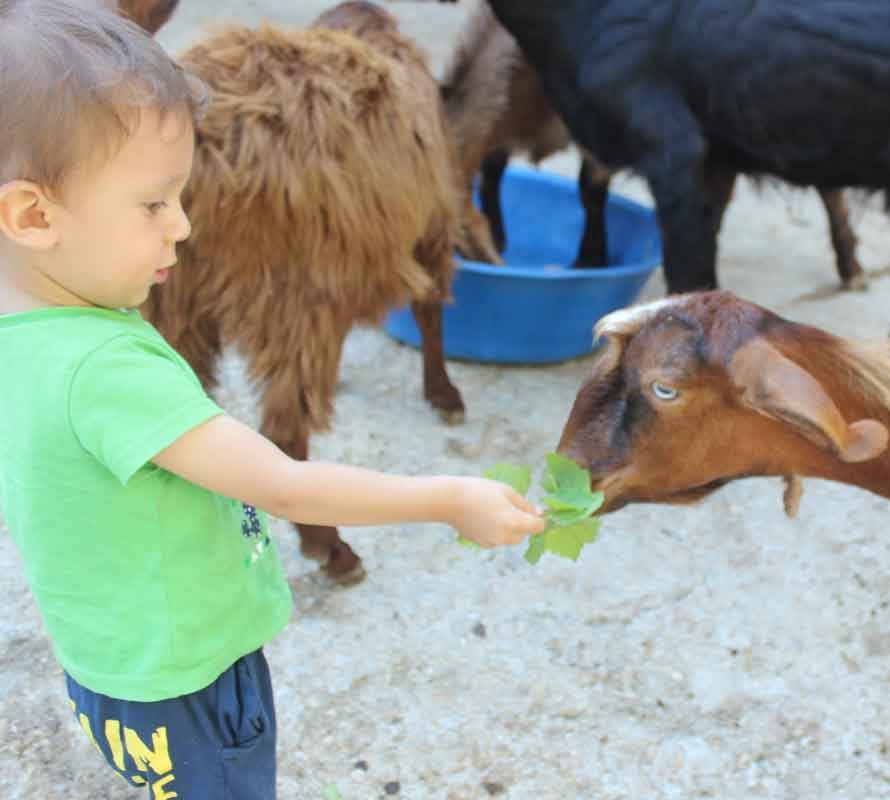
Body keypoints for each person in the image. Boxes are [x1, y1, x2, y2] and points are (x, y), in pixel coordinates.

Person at [0, 1, 545, 797]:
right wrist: (450, 498)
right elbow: (284, 484)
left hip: (109, 665)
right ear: (33, 214)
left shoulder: (27, 328)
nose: (183, 227)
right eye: (154, 204)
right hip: (190, 686)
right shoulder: (109, 373)